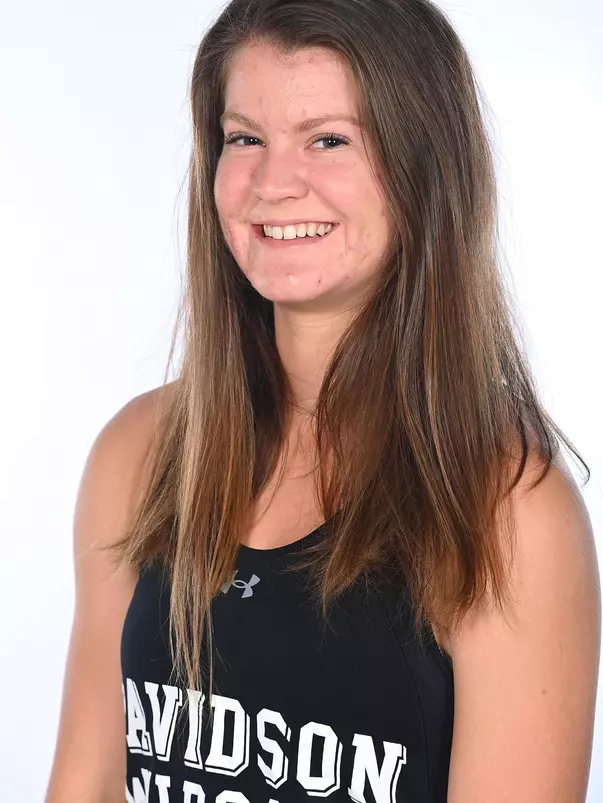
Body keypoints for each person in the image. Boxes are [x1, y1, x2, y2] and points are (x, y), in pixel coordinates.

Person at [45, 0, 601, 801]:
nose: (273, 183)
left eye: (328, 139)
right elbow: (86, 783)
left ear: (421, 165)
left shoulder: (505, 508)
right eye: (245, 139)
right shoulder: (141, 451)